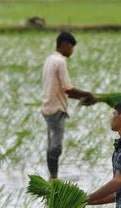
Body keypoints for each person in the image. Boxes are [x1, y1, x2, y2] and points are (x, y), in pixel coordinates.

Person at [41, 31, 97, 179]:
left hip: (48, 106)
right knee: (56, 146)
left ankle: (52, 177)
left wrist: (83, 97)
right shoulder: (60, 62)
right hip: (56, 108)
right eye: (71, 47)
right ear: (65, 45)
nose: (72, 50)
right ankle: (54, 178)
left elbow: (66, 91)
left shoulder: (50, 59)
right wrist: (87, 95)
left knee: (52, 144)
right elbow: (68, 88)